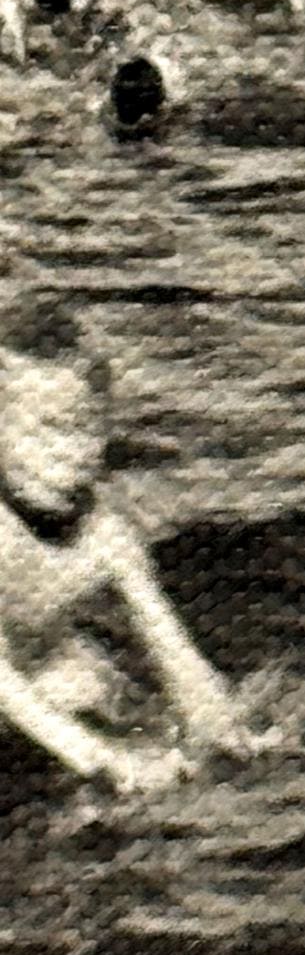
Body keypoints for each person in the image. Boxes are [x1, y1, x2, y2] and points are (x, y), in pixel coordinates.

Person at [0, 290, 259, 792]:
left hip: (37, 675)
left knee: (96, 683)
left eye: (91, 432)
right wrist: (102, 759)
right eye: (49, 432)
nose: (76, 454)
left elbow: (170, 642)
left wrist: (222, 725)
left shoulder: (106, 535)